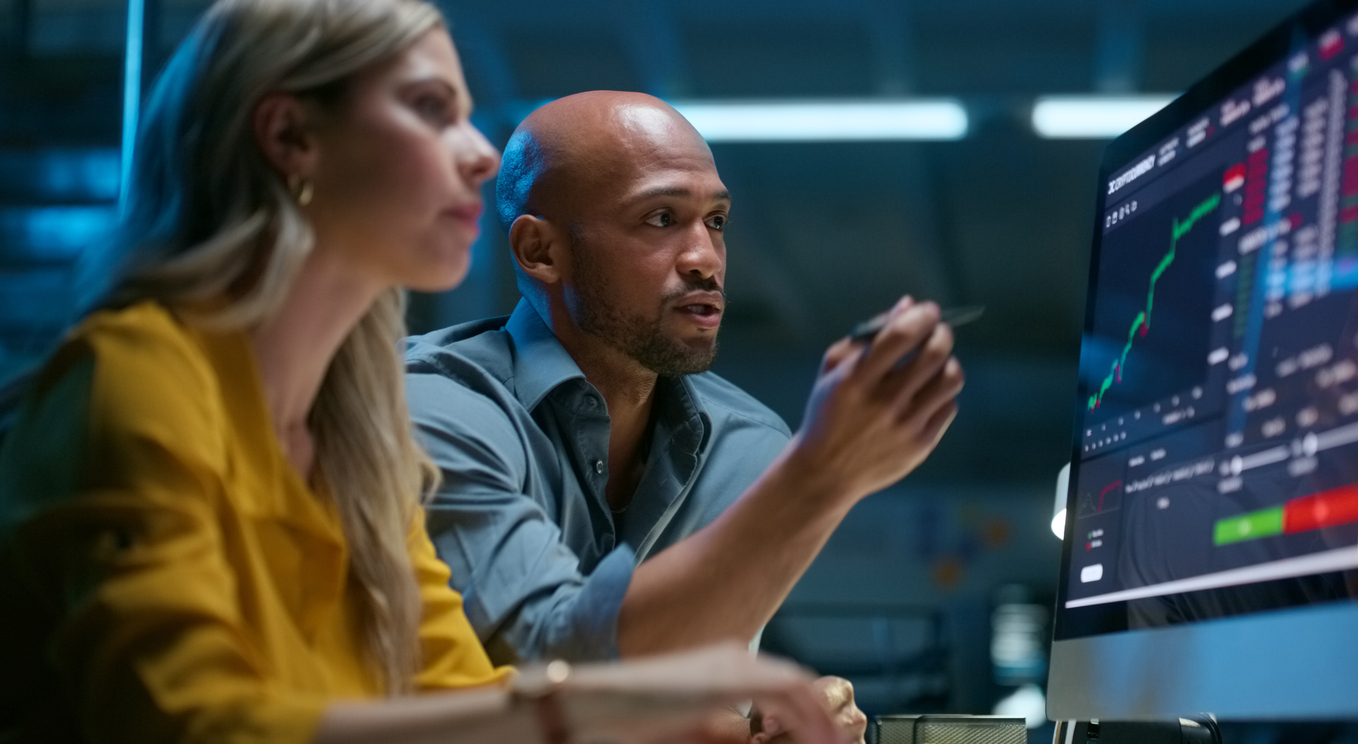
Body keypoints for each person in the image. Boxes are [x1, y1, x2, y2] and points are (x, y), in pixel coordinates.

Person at [0, 2, 849, 743]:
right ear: (292, 137)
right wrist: (598, 708)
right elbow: (191, 725)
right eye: (430, 109)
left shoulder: (358, 424)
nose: (481, 155)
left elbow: (461, 699)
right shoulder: (137, 377)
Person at [405, 90, 965, 743]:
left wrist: (771, 713)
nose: (704, 257)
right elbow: (555, 669)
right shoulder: (430, 409)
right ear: (540, 251)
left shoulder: (752, 447)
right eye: (660, 217)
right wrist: (820, 480)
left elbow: (701, 688)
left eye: (716, 221)